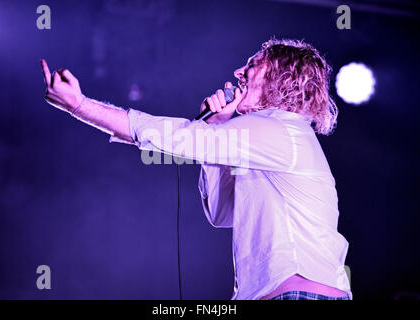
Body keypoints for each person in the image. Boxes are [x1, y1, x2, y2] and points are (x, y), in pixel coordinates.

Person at [40, 37, 352, 300]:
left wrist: (79, 105)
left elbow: (180, 137)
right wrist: (216, 124)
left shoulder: (280, 129)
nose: (239, 72)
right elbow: (221, 214)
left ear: (281, 75)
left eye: (253, 64)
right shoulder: (267, 140)